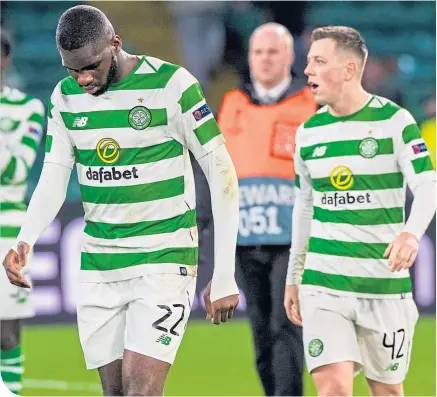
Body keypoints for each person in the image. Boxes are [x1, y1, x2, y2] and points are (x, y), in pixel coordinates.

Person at [2, 5, 240, 396]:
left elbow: (223, 173)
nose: (82, 78)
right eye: (71, 68)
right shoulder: (65, 97)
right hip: (100, 265)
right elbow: (54, 174)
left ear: (115, 44)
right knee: (114, 393)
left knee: (141, 392)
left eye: (90, 66)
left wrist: (225, 272)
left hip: (163, 259)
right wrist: (25, 238)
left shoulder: (172, 85)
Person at [284, 26, 436, 397]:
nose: (308, 71)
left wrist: (410, 233)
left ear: (350, 69)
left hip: (382, 285)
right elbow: (304, 207)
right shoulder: (307, 133)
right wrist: (294, 274)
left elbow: (428, 186)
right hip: (324, 283)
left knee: (386, 391)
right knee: (333, 388)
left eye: (319, 62)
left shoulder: (395, 122)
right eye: (308, 62)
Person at [218, 23, 317, 396]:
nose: (264, 59)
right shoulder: (233, 103)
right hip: (244, 240)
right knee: (260, 330)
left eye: (273, 52)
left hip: (293, 241)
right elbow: (216, 167)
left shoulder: (310, 104)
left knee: (285, 325)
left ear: (290, 57)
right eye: (258, 52)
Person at [0, 29, 45, 394]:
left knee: (6, 332)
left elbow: (18, 168)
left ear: (5, 59)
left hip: (7, 230)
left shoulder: (28, 108)